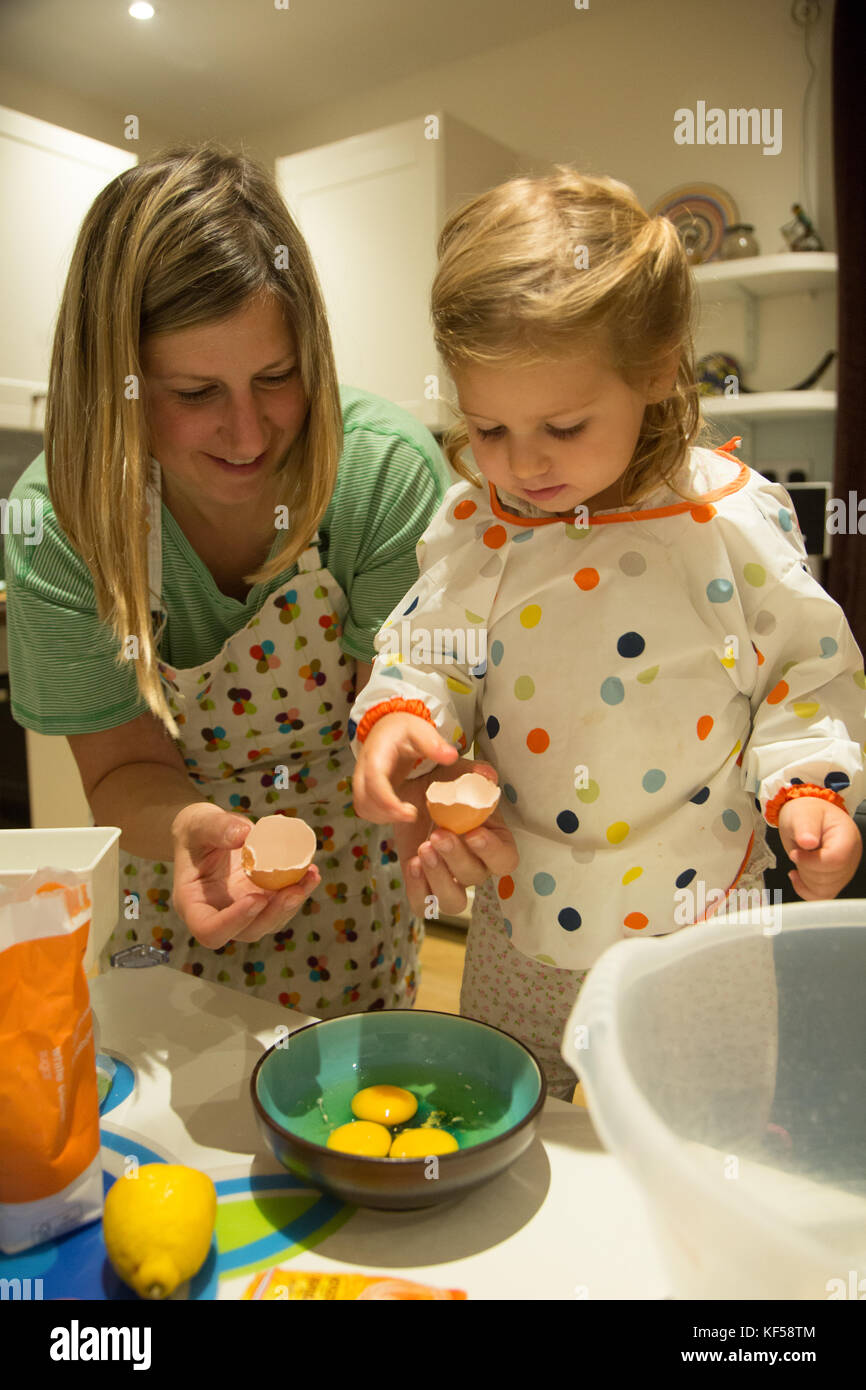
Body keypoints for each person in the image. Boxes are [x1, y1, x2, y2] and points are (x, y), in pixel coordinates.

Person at [348, 168, 866, 1097]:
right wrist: (401, 716)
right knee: (507, 1109)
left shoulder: (731, 520)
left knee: (707, 1131)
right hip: (524, 909)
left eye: (563, 423)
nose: (523, 461)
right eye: (488, 427)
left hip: (706, 910)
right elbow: (430, 649)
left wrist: (811, 793)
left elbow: (803, 676)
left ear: (657, 368)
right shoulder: (482, 521)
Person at [4, 142, 457, 1016]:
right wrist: (191, 833)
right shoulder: (64, 526)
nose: (249, 435)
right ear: (117, 383)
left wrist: (436, 806)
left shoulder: (381, 478)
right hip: (173, 902)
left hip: (356, 900)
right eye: (193, 391)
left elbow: (401, 717)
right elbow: (124, 768)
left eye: (276, 377)